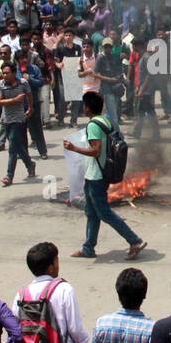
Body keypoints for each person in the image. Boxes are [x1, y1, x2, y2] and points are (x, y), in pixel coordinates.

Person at [66, 91, 146, 259]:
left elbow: (96, 151)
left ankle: (134, 240)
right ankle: (88, 248)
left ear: (87, 107)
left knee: (104, 213)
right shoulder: (105, 120)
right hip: (95, 174)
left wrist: (74, 148)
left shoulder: (93, 125)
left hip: (97, 176)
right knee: (91, 212)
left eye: (84, 105)